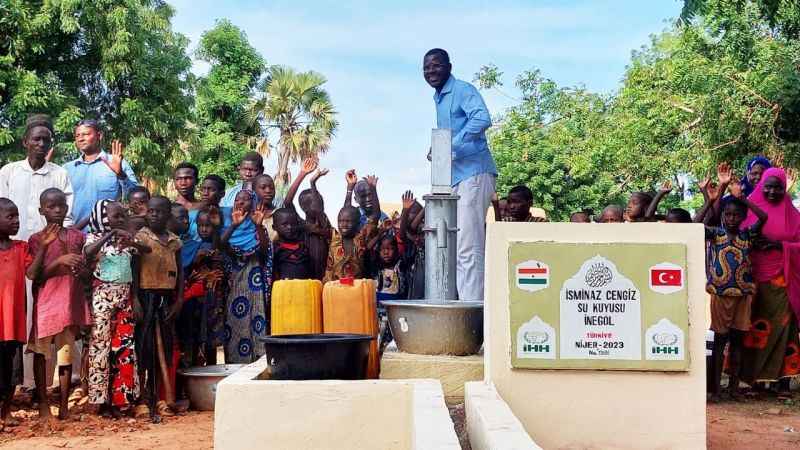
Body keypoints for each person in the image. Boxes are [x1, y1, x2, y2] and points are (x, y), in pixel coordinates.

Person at [424, 48, 497, 302]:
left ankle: (473, 313)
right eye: (426, 67)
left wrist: (450, 144)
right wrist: (438, 150)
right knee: (452, 247)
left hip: (474, 174)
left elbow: (482, 118)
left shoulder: (462, 90)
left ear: (449, 67)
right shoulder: (439, 97)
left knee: (469, 248)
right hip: (455, 177)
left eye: (436, 65)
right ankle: (459, 307)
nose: (431, 71)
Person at [695, 178, 767, 401]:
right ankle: (715, 389)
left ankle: (734, 388)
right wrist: (710, 199)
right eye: (728, 215)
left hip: (743, 295)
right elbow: (694, 225)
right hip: (720, 295)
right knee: (719, 342)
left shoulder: (747, 235)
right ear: (723, 216)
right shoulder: (716, 234)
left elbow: (763, 217)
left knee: (737, 342)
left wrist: (742, 198)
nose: (732, 218)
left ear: (743, 217)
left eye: (736, 215)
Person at [26, 188, 90, 420]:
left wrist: (81, 269)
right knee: (41, 354)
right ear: (41, 210)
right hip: (46, 304)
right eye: (51, 206)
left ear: (67, 208)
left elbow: (86, 272)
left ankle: (64, 407)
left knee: (65, 355)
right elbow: (35, 275)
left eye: (61, 205)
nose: (57, 210)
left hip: (69, 304)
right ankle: (43, 405)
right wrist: (57, 259)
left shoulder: (77, 237)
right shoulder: (36, 239)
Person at [737, 167, 800, 396]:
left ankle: (780, 381)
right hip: (752, 278)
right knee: (753, 328)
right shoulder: (748, 209)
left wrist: (778, 245)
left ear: (785, 189)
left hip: (782, 280)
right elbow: (737, 236)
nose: (773, 191)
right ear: (761, 185)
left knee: (783, 328)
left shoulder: (793, 216)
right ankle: (752, 380)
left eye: (778, 187)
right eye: (768, 187)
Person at [83, 200, 144, 417]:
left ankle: (123, 400)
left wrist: (131, 241)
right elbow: (88, 253)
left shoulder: (126, 240)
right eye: (116, 216)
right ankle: (100, 400)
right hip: (102, 298)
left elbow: (141, 255)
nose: (121, 219)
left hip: (125, 298)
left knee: (125, 347)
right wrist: (110, 235)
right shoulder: (93, 238)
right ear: (102, 218)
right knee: (101, 347)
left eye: (123, 216)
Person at [134, 196, 183, 420]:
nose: (154, 215)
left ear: (168, 215)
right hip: (146, 296)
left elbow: (180, 272)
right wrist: (135, 299)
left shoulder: (174, 241)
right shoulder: (141, 238)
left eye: (159, 211)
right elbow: (135, 270)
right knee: (144, 348)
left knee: (164, 346)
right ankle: (142, 398)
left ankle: (159, 397)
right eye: (151, 211)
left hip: (166, 297)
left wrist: (179, 299)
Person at [0, 114, 74, 240]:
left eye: (46, 140)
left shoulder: (60, 174)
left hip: (50, 244)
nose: (41, 144)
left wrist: (61, 242)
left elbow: (67, 216)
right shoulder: (8, 172)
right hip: (14, 244)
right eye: (36, 139)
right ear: (25, 142)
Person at [220, 189, 272, 364]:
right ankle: (235, 364)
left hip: (255, 286)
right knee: (234, 323)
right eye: (238, 199)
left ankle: (258, 364)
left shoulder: (258, 227)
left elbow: (264, 252)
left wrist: (258, 225)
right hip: (234, 285)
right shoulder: (227, 226)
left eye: (246, 199)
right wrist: (234, 226)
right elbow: (222, 247)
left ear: (253, 203)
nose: (241, 202)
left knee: (258, 318)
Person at [0, 198, 35, 428]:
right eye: (10, 216)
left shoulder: (21, 248)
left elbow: (32, 273)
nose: (16, 221)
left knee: (12, 371)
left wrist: (44, 247)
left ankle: (6, 412)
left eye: (17, 216)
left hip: (14, 324)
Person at [64, 119, 138, 227]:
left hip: (109, 233)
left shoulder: (117, 163)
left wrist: (121, 175)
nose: (80, 139)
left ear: (99, 135)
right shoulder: (67, 169)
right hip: (75, 232)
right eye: (77, 136)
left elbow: (135, 197)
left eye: (86, 134)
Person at [179, 209, 225, 368]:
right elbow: (185, 269)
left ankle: (211, 370)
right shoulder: (190, 245)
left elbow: (216, 252)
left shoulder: (221, 244)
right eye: (201, 225)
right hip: (194, 299)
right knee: (193, 334)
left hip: (213, 298)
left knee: (211, 338)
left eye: (208, 225)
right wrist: (196, 260)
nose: (204, 229)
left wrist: (217, 229)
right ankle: (191, 368)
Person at [325, 172, 380, 282]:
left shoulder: (361, 238)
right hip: (333, 289)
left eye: (348, 222)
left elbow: (375, 216)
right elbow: (346, 210)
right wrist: (349, 188)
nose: (344, 225)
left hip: (357, 289)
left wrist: (373, 189)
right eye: (340, 221)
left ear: (357, 224)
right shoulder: (333, 236)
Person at [400, 191, 425, 299]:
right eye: (408, 213)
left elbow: (414, 226)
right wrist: (405, 210)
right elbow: (406, 229)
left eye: (413, 212)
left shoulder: (424, 232)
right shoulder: (406, 235)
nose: (410, 215)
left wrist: (426, 207)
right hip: (409, 276)